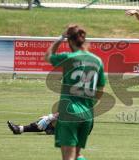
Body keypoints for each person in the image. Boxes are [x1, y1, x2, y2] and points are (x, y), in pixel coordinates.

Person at [45, 24, 105, 160]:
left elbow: (48, 56)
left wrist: (61, 38)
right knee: (78, 155)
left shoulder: (69, 57)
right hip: (88, 114)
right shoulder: (97, 61)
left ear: (70, 41)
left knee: (68, 157)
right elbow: (101, 90)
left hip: (69, 111)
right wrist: (89, 103)